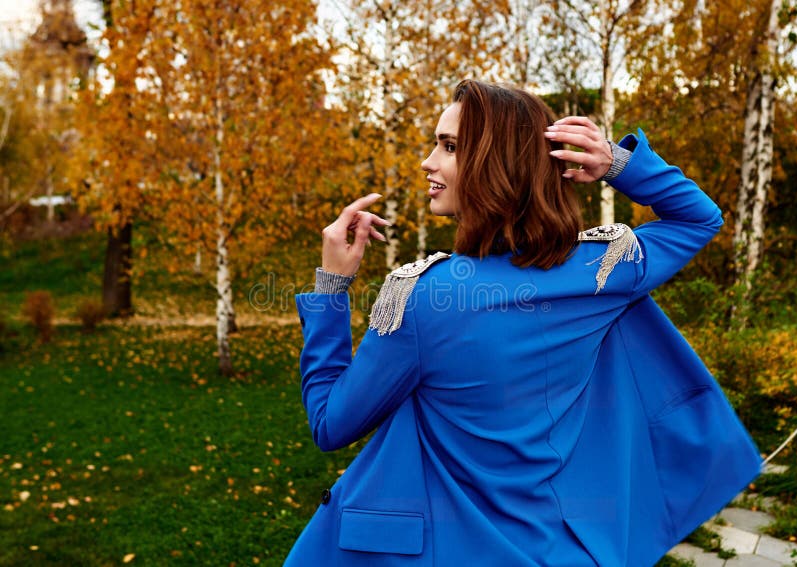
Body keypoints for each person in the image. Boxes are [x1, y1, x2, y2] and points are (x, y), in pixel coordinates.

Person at [285, 80, 761, 566]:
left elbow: (330, 422)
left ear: (497, 166)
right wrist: (616, 162)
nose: (428, 162)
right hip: (563, 549)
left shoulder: (423, 299)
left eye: (449, 147)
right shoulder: (601, 270)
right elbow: (698, 219)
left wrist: (332, 286)